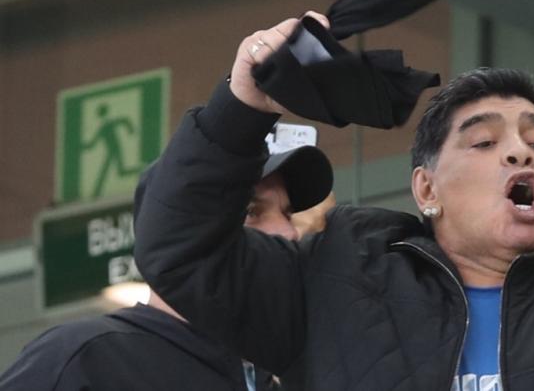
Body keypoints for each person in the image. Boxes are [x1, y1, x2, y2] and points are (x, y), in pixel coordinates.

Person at [134, 12, 534, 390]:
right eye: (483, 142)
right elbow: (178, 247)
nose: (519, 153)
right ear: (426, 189)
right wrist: (244, 98)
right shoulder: (334, 273)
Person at [0, 143, 334, 391]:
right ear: (175, 231)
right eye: (250, 211)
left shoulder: (277, 378)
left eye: (287, 214)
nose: (288, 232)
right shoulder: (85, 358)